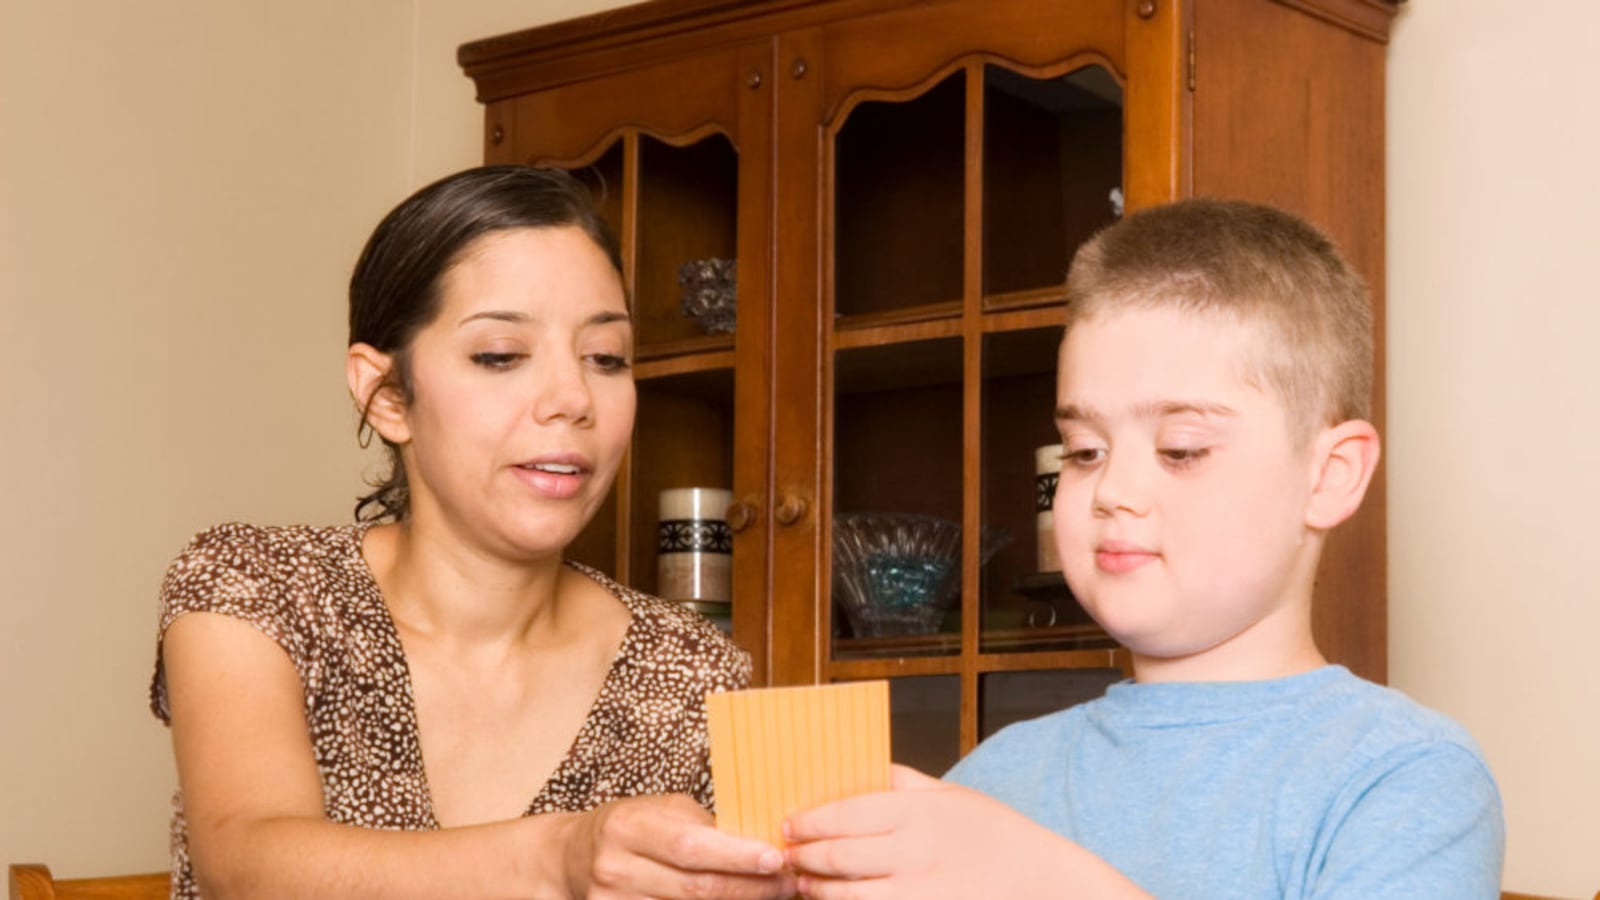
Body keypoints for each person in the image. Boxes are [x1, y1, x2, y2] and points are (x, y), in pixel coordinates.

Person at [783, 199, 1504, 898]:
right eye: (1084, 451)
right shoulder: (994, 777)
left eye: (1180, 449)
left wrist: (1037, 883)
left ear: (1329, 475)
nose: (1112, 491)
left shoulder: (1403, 774)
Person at [148, 165, 791, 900]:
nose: (573, 398)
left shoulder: (693, 674)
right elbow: (246, 868)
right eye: (501, 355)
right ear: (387, 395)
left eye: (606, 359)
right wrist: (559, 856)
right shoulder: (258, 588)